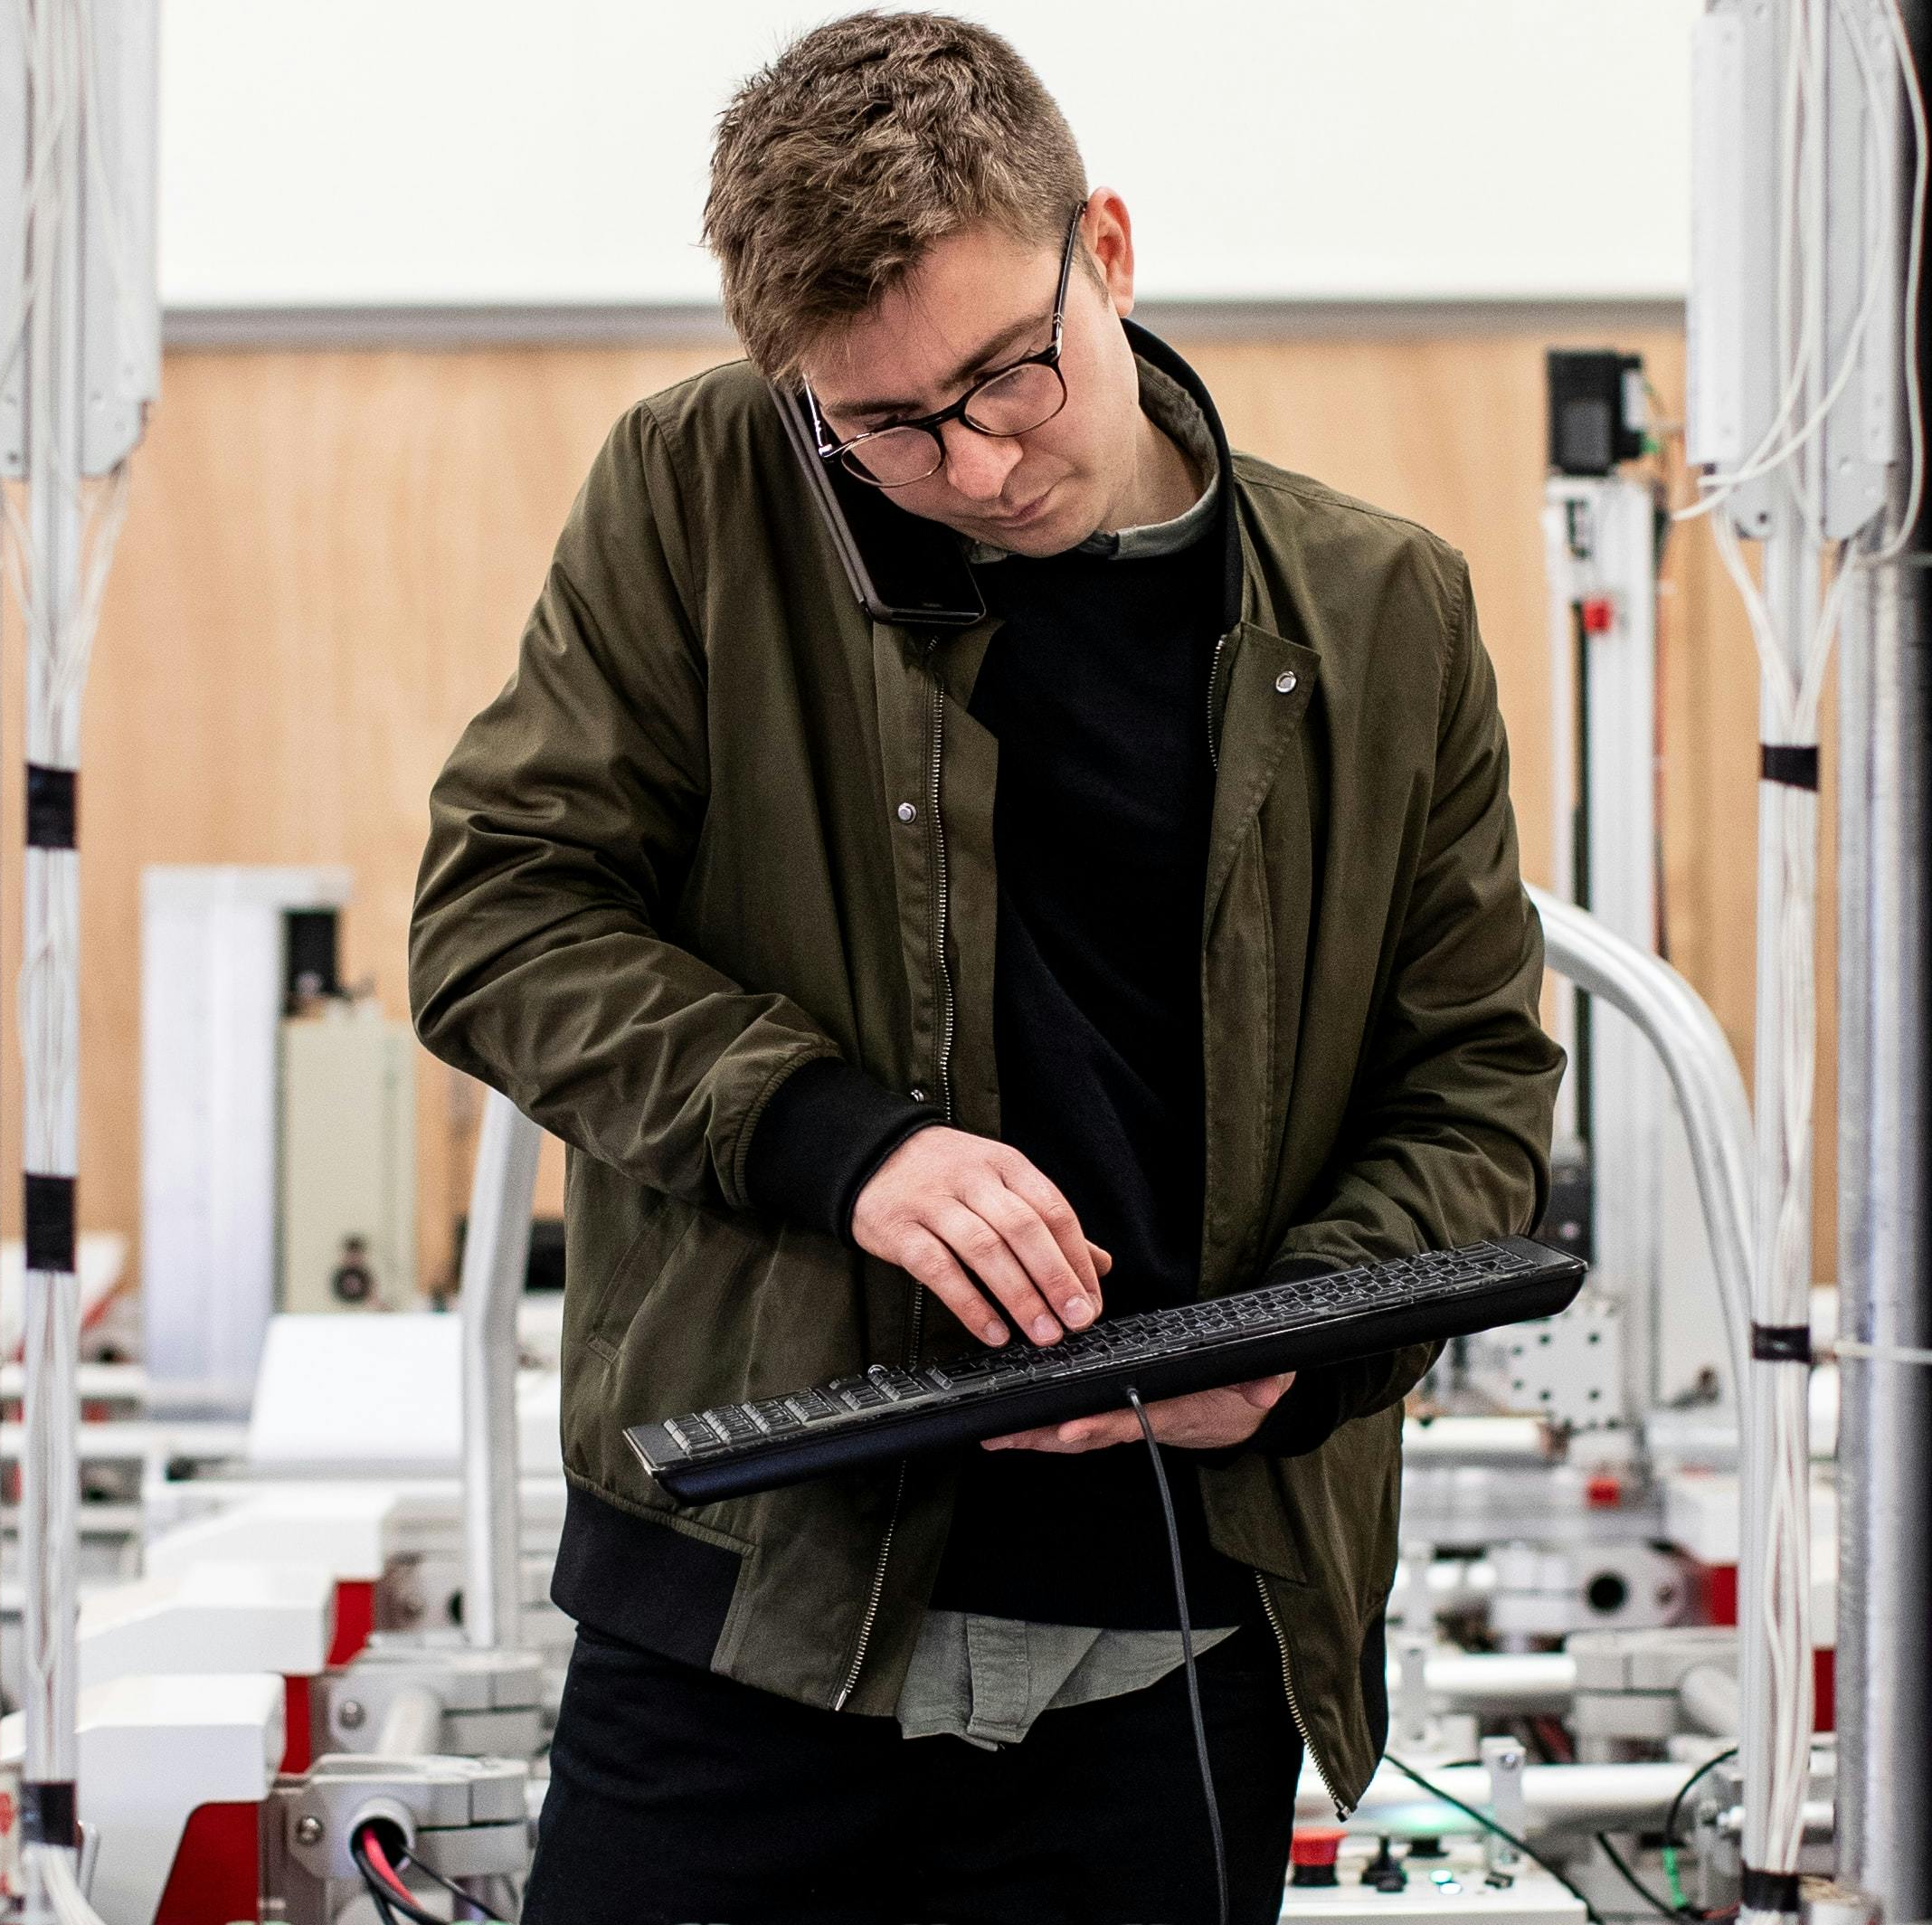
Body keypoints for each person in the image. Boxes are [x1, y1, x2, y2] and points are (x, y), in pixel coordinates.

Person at [408, 14, 1560, 1920]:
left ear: (1106, 249)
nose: (972, 463)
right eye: (882, 425)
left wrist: (1298, 1347)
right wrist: (845, 1142)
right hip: (747, 1626)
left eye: (1008, 374)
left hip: (1175, 1641)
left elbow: (1475, 1093)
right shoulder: (706, 489)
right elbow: (500, 915)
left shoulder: (1384, 612)